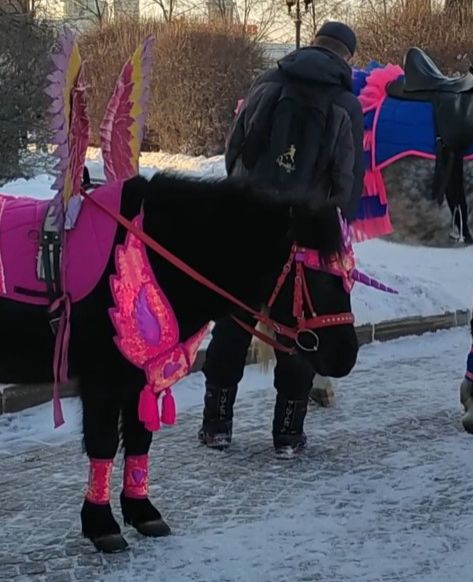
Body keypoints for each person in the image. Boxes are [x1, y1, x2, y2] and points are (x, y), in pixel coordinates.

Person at [198, 21, 364, 459]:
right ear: (346, 56)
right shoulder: (345, 103)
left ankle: (216, 426)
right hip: (306, 235)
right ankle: (288, 433)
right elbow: (347, 179)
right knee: (298, 329)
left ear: (314, 43)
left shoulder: (266, 83)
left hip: (249, 221)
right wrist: (331, 231)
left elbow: (234, 148)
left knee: (234, 321)